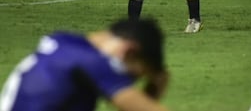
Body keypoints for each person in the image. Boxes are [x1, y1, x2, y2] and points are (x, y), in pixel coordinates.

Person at [0, 18, 172, 111]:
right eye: (131, 76)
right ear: (129, 51)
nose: (127, 82)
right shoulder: (92, 61)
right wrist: (154, 92)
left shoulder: (63, 42)